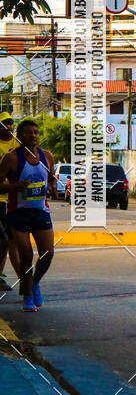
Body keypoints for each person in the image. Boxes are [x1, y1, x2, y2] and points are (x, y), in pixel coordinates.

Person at [0, 119, 57, 312]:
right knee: (26, 254)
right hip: (18, 212)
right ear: (20, 136)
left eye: (35, 132)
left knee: (48, 253)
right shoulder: (11, 158)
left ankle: (33, 283)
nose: (33, 135)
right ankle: (28, 296)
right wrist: (13, 187)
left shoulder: (47, 156)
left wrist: (52, 188)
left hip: (41, 211)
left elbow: (51, 180)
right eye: (27, 132)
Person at [0, 112, 21, 293]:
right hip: (1, 198)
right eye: (3, 124)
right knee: (7, 240)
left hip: (16, 198)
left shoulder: (18, 144)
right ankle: (25, 282)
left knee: (7, 241)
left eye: (10, 123)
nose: (8, 127)